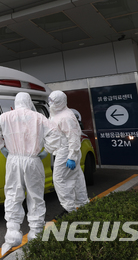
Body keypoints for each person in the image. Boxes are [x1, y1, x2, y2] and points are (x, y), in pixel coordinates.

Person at [0, 92, 61, 254]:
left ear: (16, 102)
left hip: (13, 159)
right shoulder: (39, 117)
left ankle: (12, 232)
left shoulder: (6, 116)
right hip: (33, 159)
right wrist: (47, 151)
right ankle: (35, 232)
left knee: (13, 193)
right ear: (28, 102)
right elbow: (55, 134)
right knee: (35, 195)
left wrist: (2, 147)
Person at [48, 90, 89, 219]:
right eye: (50, 100)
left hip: (66, 151)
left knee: (59, 179)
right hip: (63, 150)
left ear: (60, 101)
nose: (50, 103)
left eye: (53, 101)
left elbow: (73, 137)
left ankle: (69, 209)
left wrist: (72, 156)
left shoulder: (66, 116)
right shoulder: (57, 114)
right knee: (76, 178)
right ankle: (83, 205)